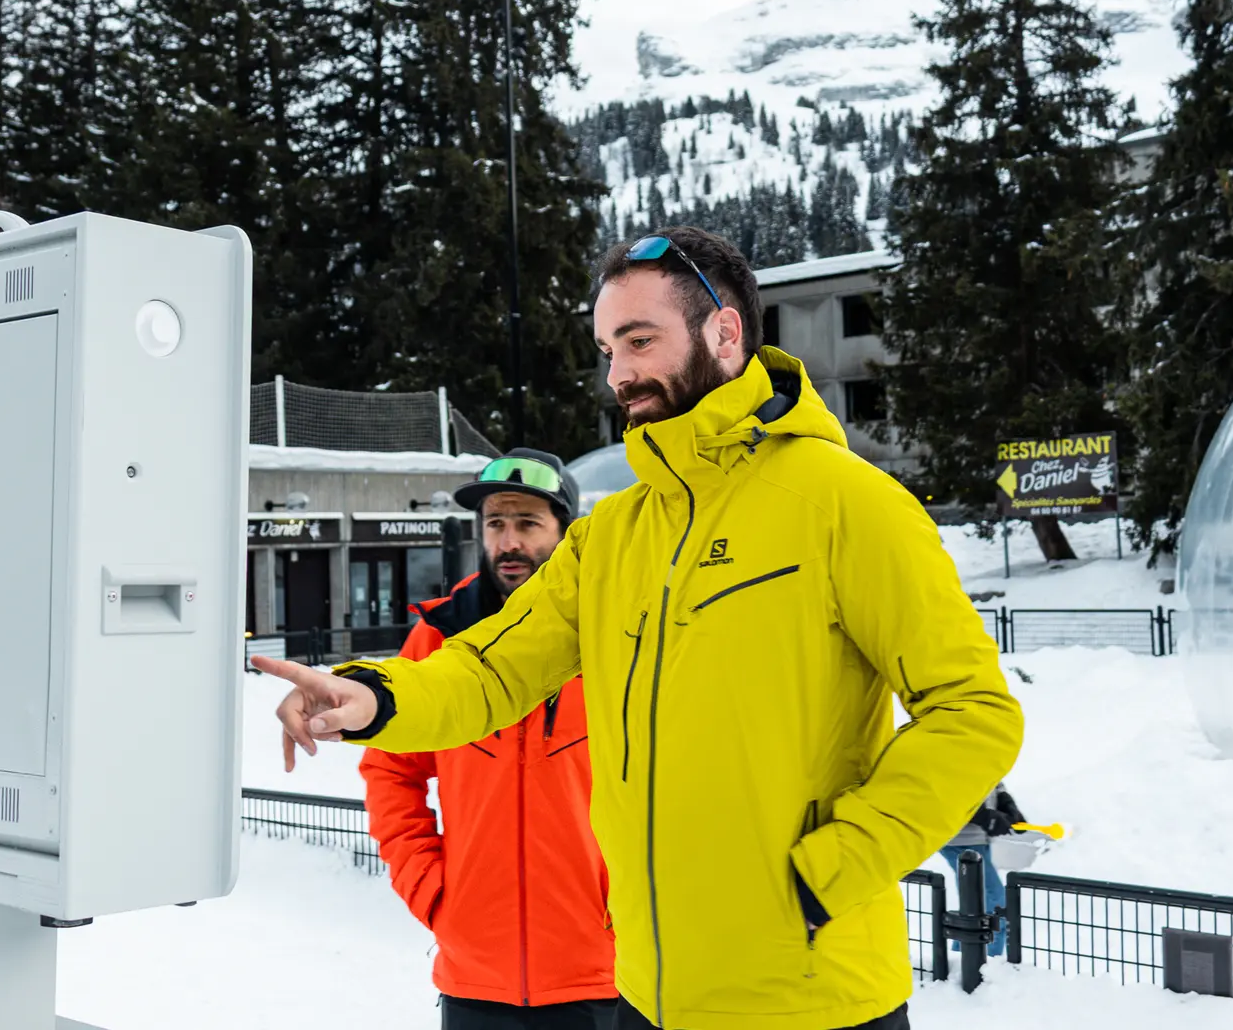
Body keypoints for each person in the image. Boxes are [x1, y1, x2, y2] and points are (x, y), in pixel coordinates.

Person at [259, 226, 1024, 1030]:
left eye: (639, 340)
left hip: (813, 1000)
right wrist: (375, 698)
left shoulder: (847, 504)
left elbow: (972, 714)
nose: (618, 374)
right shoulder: (613, 534)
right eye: (606, 349)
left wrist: (823, 873)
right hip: (648, 999)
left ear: (724, 334)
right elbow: (493, 671)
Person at [360, 448, 616, 1029]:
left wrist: (624, 904)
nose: (509, 542)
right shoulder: (439, 637)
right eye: (496, 524)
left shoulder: (611, 635)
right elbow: (391, 772)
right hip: (476, 977)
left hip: (601, 973)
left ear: (565, 533)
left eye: (528, 523)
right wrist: (431, 890)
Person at [938, 783, 1026, 957]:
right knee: (995, 905)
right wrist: (983, 816)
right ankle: (982, 967)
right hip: (960, 839)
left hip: (977, 838)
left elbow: (989, 774)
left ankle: (963, 962)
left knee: (974, 906)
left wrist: (1004, 800)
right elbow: (945, 787)